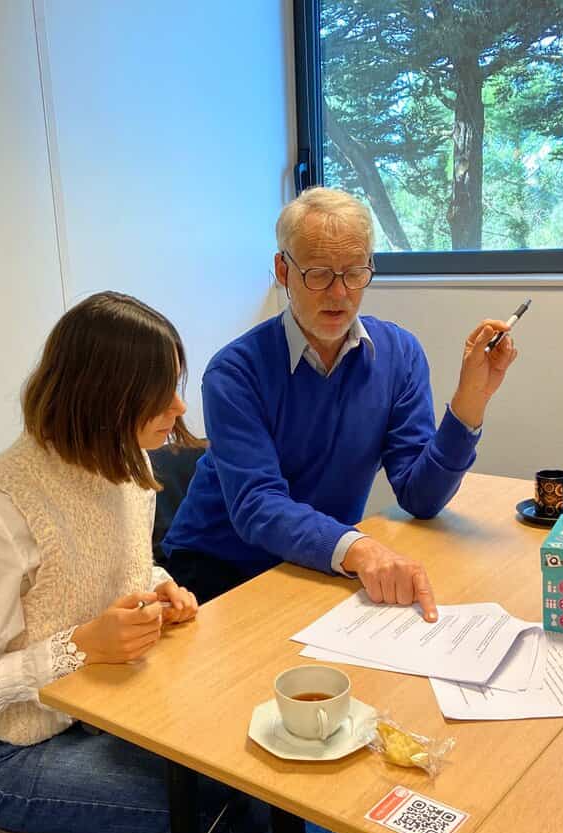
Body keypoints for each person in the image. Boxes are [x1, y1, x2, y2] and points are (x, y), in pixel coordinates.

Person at [0, 292, 274, 833]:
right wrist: (79, 647)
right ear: (106, 399)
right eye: (161, 393)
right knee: (207, 825)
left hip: (99, 712)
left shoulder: (125, 463)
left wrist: (160, 587)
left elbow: (114, 568)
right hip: (1, 754)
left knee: (244, 792)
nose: (179, 408)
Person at [161, 187, 519, 619]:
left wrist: (471, 399)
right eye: (319, 274)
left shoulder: (399, 354)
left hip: (317, 561)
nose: (339, 293)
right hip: (217, 569)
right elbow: (258, 505)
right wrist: (360, 548)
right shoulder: (235, 371)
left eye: (354, 273)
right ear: (283, 270)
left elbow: (420, 497)